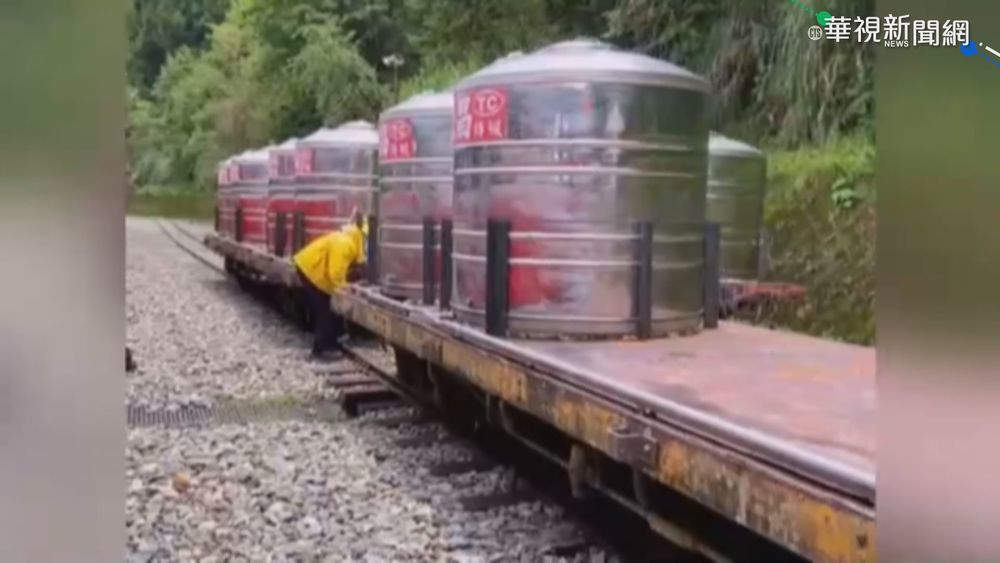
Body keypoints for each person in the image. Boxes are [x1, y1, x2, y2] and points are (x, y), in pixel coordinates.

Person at [292, 207, 367, 360]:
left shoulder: (347, 239)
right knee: (325, 309)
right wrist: (346, 289)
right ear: (360, 236)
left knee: (327, 306)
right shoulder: (345, 244)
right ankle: (321, 349)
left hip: (311, 269)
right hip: (309, 270)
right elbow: (335, 274)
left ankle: (333, 340)